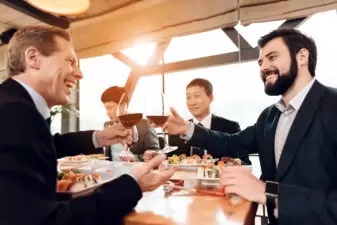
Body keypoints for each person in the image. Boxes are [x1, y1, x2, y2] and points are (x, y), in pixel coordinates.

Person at [146, 28, 337, 225]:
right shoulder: (269, 116)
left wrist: (268, 193)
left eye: (272, 57)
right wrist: (188, 129)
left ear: (302, 57)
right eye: (261, 62)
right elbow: (233, 143)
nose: (264, 67)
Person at [0, 25, 175, 225]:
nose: (79, 74)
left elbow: (42, 149)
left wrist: (98, 137)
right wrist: (132, 185)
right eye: (71, 61)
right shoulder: (14, 113)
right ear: (33, 58)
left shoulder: (13, 105)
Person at [168, 78, 250, 164]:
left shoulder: (230, 127)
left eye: (197, 96)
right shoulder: (178, 130)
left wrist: (236, 163)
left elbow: (246, 163)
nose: (192, 102)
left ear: (210, 98)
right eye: (188, 97)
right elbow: (170, 162)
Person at [101, 86, 159, 161]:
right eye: (106, 108)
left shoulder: (144, 125)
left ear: (123, 105)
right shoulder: (107, 125)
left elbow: (156, 154)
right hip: (111, 171)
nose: (107, 112)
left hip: (135, 171)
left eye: (110, 108)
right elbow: (107, 156)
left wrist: (136, 158)